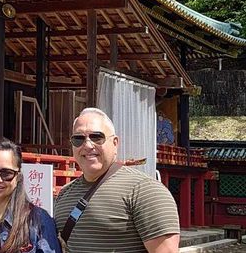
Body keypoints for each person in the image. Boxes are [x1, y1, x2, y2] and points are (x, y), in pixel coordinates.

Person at [54, 107, 180, 253]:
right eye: (78, 139)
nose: (87, 145)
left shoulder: (145, 190)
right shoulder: (64, 194)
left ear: (115, 143)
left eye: (97, 137)